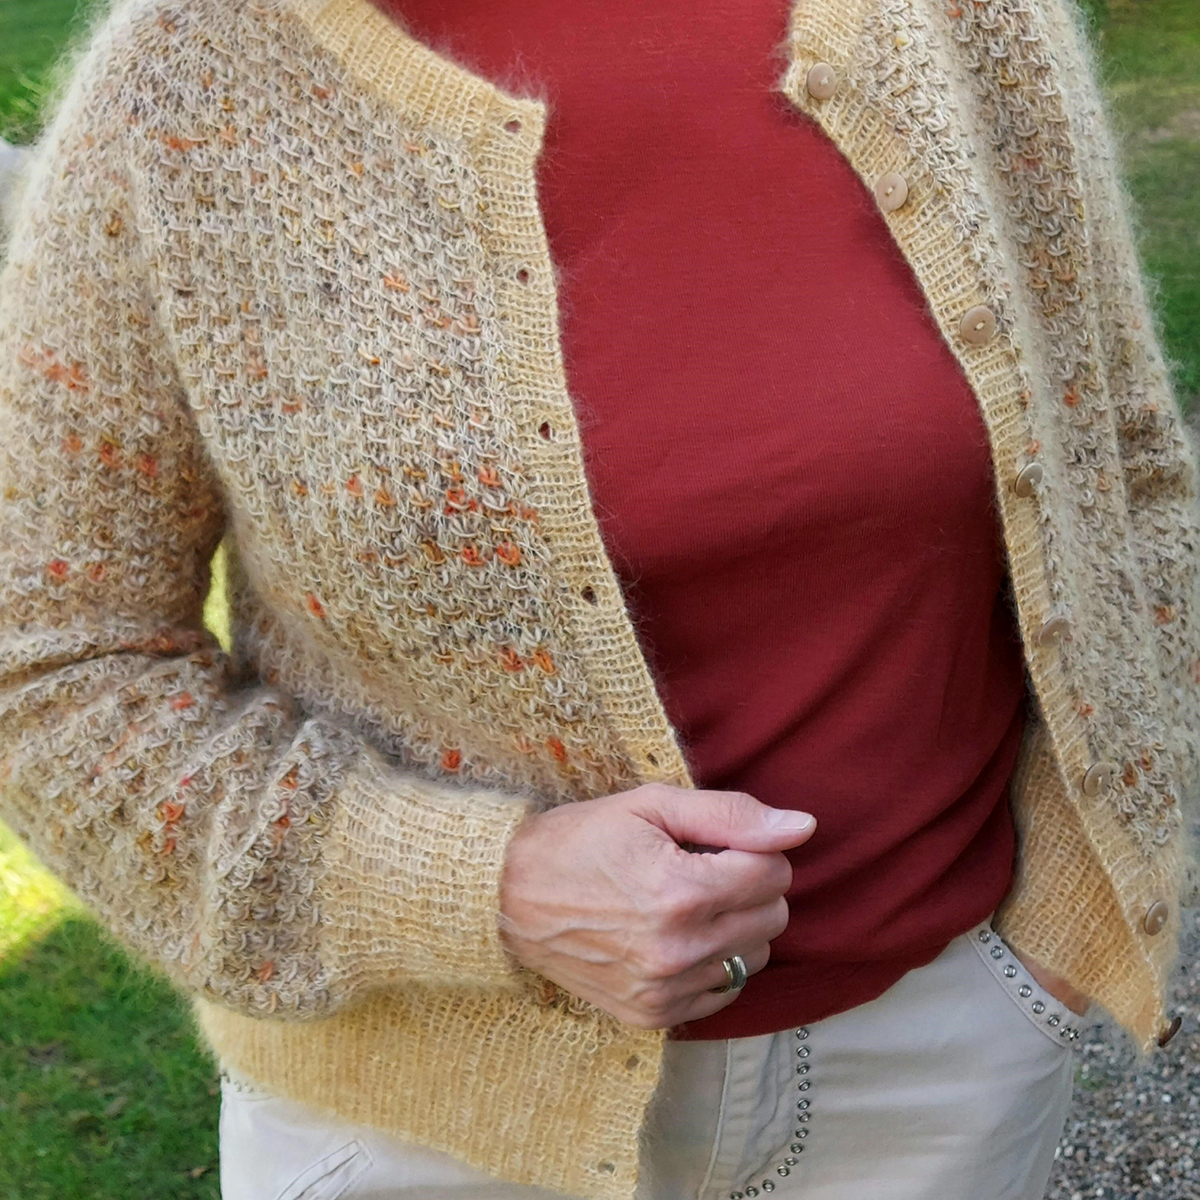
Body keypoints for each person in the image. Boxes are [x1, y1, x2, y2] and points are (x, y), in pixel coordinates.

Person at [0, 0, 1196, 1197]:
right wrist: (474, 889)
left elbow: (1125, 473)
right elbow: (48, 664)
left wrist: (1044, 952)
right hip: (431, 1126)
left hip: (934, 1088)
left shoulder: (957, 21)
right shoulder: (193, 78)